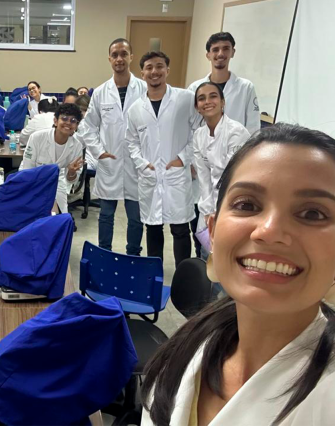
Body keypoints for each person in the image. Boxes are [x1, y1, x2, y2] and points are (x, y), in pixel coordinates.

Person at [141, 124, 335, 426]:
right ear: (213, 231)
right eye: (247, 205)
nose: (269, 231)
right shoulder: (188, 346)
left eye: (312, 213)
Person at [77, 38, 147, 255]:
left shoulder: (144, 89)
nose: (119, 59)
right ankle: (104, 254)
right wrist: (99, 152)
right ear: (109, 59)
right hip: (110, 162)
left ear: (131, 57)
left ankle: (133, 256)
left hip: (137, 163)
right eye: (115, 55)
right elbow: (88, 127)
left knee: (136, 217)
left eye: (124, 54)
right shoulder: (100, 92)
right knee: (106, 215)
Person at [126, 51, 196, 266]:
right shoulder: (136, 109)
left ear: (167, 70)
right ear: (142, 73)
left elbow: (198, 132)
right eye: (149, 67)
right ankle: (154, 274)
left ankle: (183, 276)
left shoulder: (185, 99)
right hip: (150, 175)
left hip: (176, 175)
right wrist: (141, 164)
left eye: (159, 66)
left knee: (180, 229)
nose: (154, 71)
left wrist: (183, 158)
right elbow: (132, 141)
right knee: (153, 227)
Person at [193, 82, 250, 231]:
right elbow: (203, 176)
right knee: (203, 241)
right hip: (209, 203)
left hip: (233, 201)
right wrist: (207, 210)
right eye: (202, 98)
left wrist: (218, 210)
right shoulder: (199, 135)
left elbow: (232, 176)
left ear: (222, 102)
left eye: (213, 96)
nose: (207, 102)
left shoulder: (236, 132)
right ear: (197, 107)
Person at [187, 32, 260, 135]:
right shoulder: (194, 88)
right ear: (208, 55)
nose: (220, 54)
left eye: (226, 49)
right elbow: (189, 123)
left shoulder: (246, 87)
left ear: (232, 52)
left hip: (237, 144)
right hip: (203, 144)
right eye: (215, 50)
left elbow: (253, 127)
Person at [20, 103, 84, 213]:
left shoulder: (77, 146)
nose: (68, 123)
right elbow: (27, 169)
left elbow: (71, 180)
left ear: (76, 126)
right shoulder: (37, 137)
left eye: (73, 120)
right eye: (64, 118)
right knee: (35, 214)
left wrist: (72, 172)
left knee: (59, 216)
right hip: (32, 181)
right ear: (55, 121)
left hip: (57, 182)